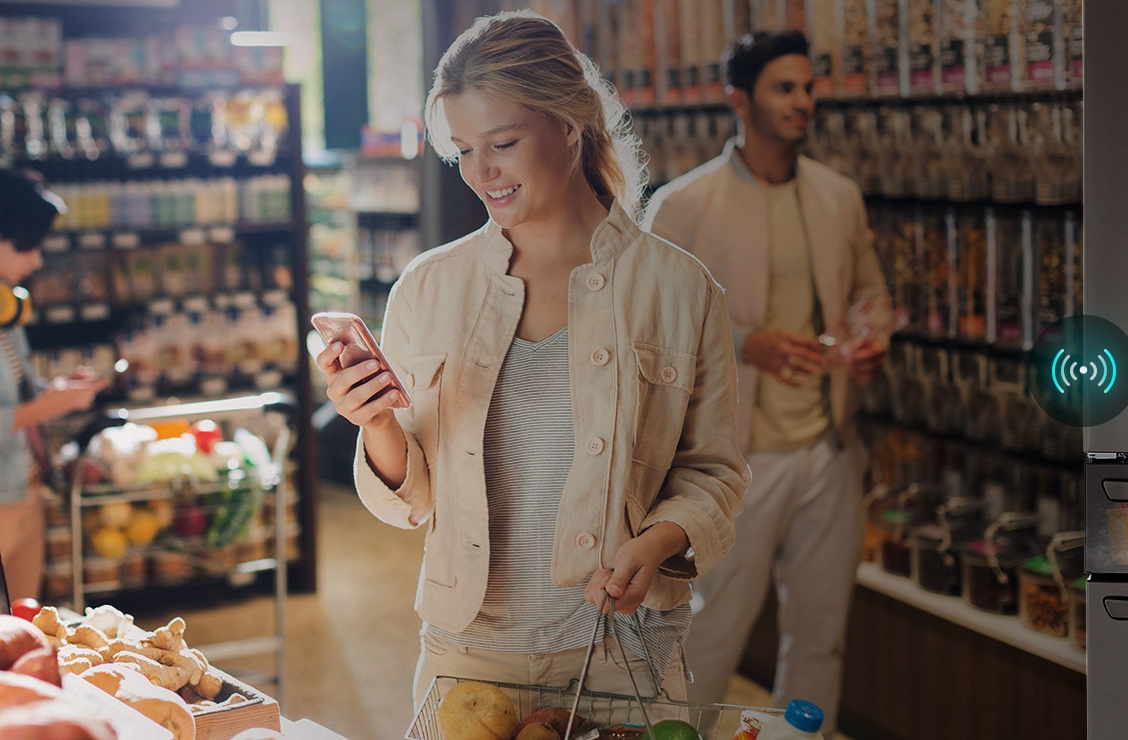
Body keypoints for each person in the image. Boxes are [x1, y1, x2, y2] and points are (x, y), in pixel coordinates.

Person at [315, 10, 747, 710]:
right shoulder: (428, 287)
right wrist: (375, 424)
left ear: (568, 124)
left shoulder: (678, 288)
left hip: (623, 654)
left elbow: (716, 473)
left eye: (503, 143)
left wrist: (657, 541)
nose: (482, 173)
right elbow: (413, 500)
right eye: (463, 152)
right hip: (468, 653)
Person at [642, 29, 892, 732]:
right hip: (733, 464)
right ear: (738, 101)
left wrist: (872, 339)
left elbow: (871, 294)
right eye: (785, 88)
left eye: (808, 88)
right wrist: (749, 344)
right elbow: (648, 330)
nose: (803, 102)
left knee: (820, 638)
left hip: (829, 450)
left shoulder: (839, 196)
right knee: (711, 630)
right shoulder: (683, 206)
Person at [0, 169, 108, 601]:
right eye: (28, 245)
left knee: (25, 625)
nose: (36, 260)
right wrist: (45, 407)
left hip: (25, 494)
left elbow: (6, 392)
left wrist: (52, 392)